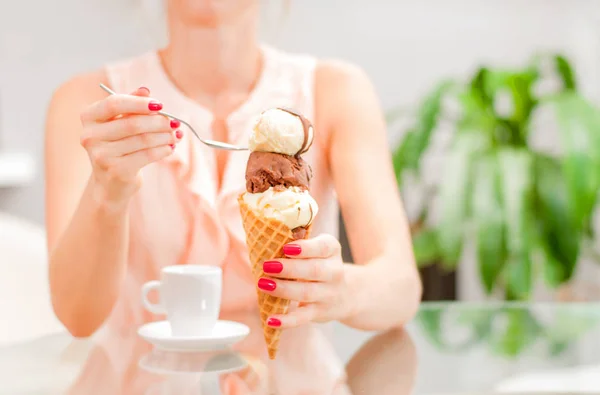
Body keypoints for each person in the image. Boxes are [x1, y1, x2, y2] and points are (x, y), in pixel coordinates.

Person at [45, 0, 421, 391]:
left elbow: (400, 287)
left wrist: (339, 289)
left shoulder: (336, 91)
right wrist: (108, 192)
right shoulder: (88, 104)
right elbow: (77, 316)